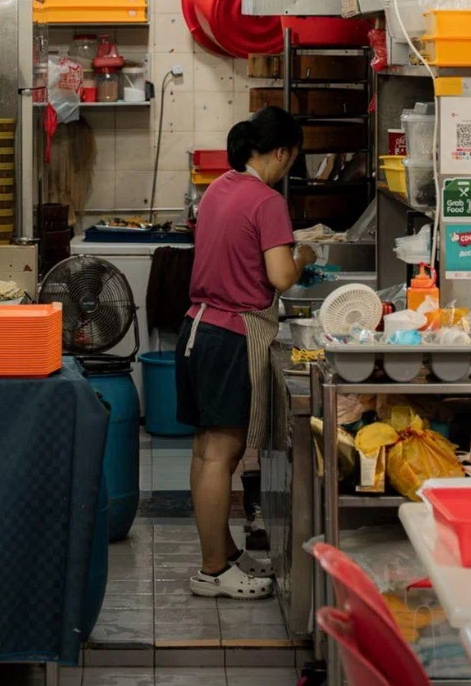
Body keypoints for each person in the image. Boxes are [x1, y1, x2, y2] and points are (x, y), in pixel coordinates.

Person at [176, 106, 315, 600]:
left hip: (197, 328)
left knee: (205, 451)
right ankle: (214, 570)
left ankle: (222, 554)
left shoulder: (219, 188)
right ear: (281, 152)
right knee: (223, 454)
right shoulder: (265, 199)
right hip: (231, 334)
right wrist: (303, 255)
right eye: (292, 159)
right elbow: (279, 278)